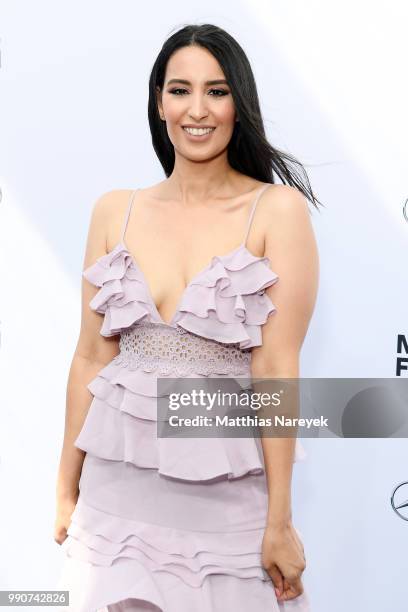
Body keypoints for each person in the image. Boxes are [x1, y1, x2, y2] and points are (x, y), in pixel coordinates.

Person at [55, 23, 320, 612]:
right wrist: (64, 489)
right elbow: (90, 358)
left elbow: (275, 370)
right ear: (158, 101)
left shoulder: (276, 212)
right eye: (180, 90)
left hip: (226, 510)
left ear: (239, 103)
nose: (197, 110)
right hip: (113, 505)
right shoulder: (113, 211)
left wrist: (279, 520)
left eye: (217, 91)